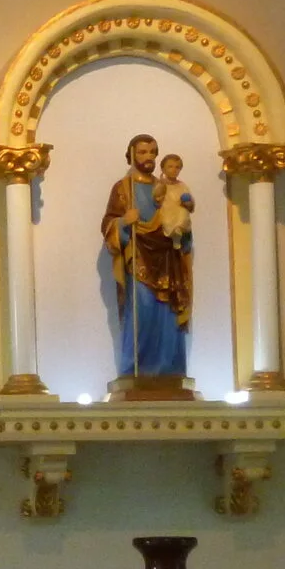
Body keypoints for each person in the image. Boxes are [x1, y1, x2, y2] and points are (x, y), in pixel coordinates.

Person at [100, 133, 193, 387]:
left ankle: (170, 371)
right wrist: (122, 222)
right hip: (140, 259)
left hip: (167, 257)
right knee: (142, 311)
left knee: (168, 316)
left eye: (152, 152)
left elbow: (181, 218)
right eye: (142, 152)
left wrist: (183, 230)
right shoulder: (123, 188)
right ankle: (136, 372)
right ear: (131, 154)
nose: (148, 157)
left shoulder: (166, 187)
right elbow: (108, 225)